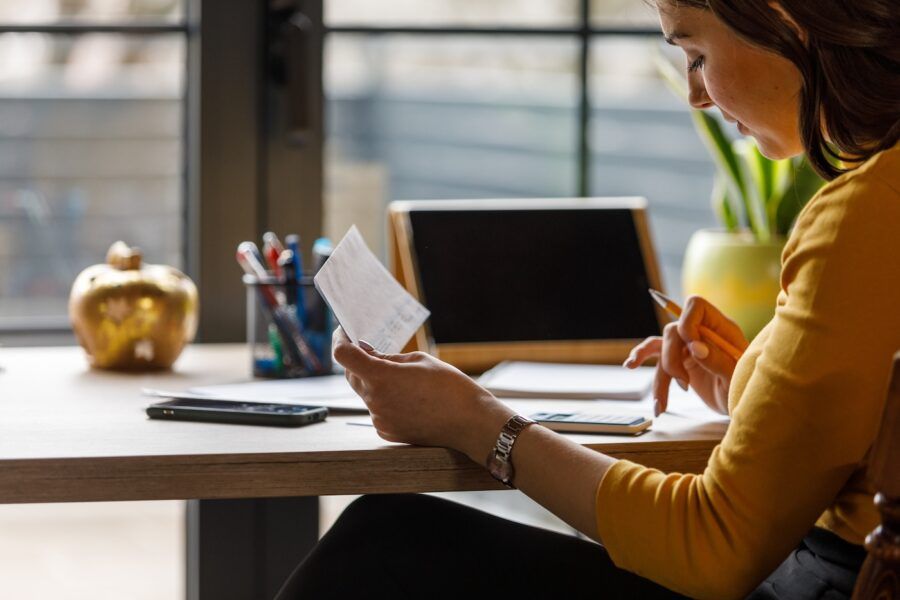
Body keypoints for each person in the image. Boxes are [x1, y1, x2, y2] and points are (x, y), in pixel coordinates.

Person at [275, 0, 900, 598]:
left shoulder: (866, 214)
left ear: (782, 15)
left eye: (697, 53)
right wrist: (752, 385)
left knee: (383, 546)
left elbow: (716, 545)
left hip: (823, 579)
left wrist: (476, 420)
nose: (695, 94)